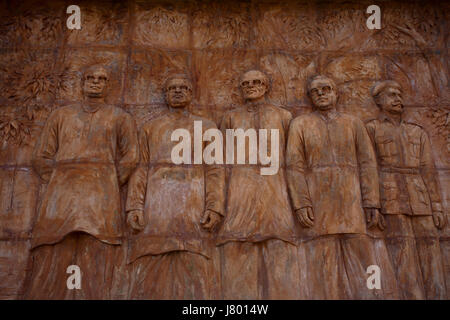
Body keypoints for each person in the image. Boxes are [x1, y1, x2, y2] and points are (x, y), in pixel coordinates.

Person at [24, 65, 139, 299]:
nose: (95, 82)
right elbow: (40, 157)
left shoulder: (120, 117)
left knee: (99, 255)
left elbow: (131, 157)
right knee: (52, 254)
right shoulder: (61, 115)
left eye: (101, 79)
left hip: (101, 201)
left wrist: (106, 182)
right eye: (90, 78)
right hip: (61, 199)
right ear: (82, 82)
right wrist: (61, 180)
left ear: (108, 85)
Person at [286, 75, 399, 299]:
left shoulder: (353, 123)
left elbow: (367, 163)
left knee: (365, 262)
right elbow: (293, 166)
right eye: (315, 91)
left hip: (352, 204)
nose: (321, 93)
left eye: (326, 88)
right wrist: (301, 203)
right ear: (309, 97)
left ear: (336, 93)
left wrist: (372, 202)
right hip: (319, 205)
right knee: (324, 268)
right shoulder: (300, 124)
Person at [126, 74, 225, 299]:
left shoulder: (207, 127)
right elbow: (140, 168)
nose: (178, 91)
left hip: (193, 206)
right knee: (152, 266)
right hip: (156, 209)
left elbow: (215, 169)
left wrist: (214, 207)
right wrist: (134, 206)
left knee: (194, 266)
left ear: (191, 94)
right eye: (172, 88)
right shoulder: (150, 128)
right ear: (166, 94)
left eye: (183, 88)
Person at [217, 70, 301, 299]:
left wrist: (299, 202)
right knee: (238, 245)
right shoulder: (230, 118)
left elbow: (294, 160)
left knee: (278, 245)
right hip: (240, 191)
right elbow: (221, 161)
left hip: (276, 192)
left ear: (266, 86)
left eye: (256, 82)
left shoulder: (284, 117)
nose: (251, 86)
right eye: (246, 83)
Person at [366, 80, 447, 299]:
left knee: (432, 252)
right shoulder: (371, 129)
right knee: (403, 256)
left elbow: (428, 171)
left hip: (420, 200)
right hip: (391, 199)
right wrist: (373, 203)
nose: (397, 98)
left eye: (399, 94)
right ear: (379, 101)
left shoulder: (417, 132)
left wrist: (437, 206)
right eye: (391, 95)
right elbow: (368, 167)